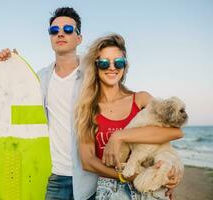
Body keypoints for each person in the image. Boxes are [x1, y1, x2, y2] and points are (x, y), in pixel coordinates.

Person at [0, 7, 181, 200]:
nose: (60, 33)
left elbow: (158, 123)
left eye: (68, 29)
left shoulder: (94, 72)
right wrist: (11, 63)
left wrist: (167, 169)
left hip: (92, 180)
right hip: (57, 174)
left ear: (79, 38)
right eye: (54, 30)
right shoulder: (40, 78)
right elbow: (15, 96)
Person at [74, 33, 183, 200]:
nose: (112, 67)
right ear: (95, 67)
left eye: (118, 62)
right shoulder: (87, 108)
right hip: (112, 190)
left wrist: (119, 136)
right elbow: (87, 161)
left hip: (152, 191)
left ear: (125, 66)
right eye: (104, 63)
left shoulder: (141, 99)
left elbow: (175, 132)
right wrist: (125, 176)